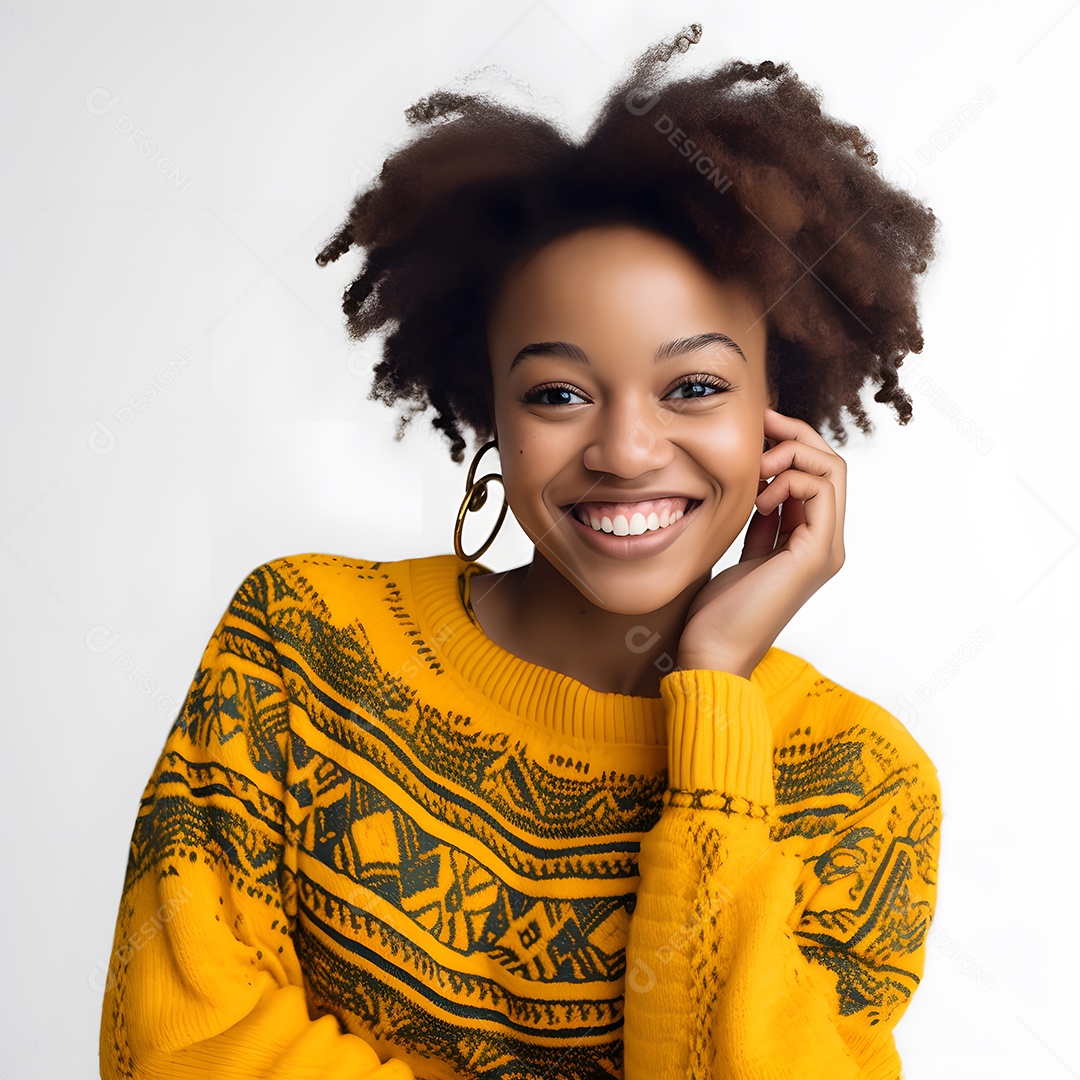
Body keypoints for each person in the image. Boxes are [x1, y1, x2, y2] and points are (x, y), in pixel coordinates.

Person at [99, 24, 941, 1080]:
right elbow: (178, 1052)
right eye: (558, 393)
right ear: (489, 411)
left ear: (781, 414)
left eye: (694, 388)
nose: (628, 450)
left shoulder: (858, 788)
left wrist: (716, 699)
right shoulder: (301, 648)